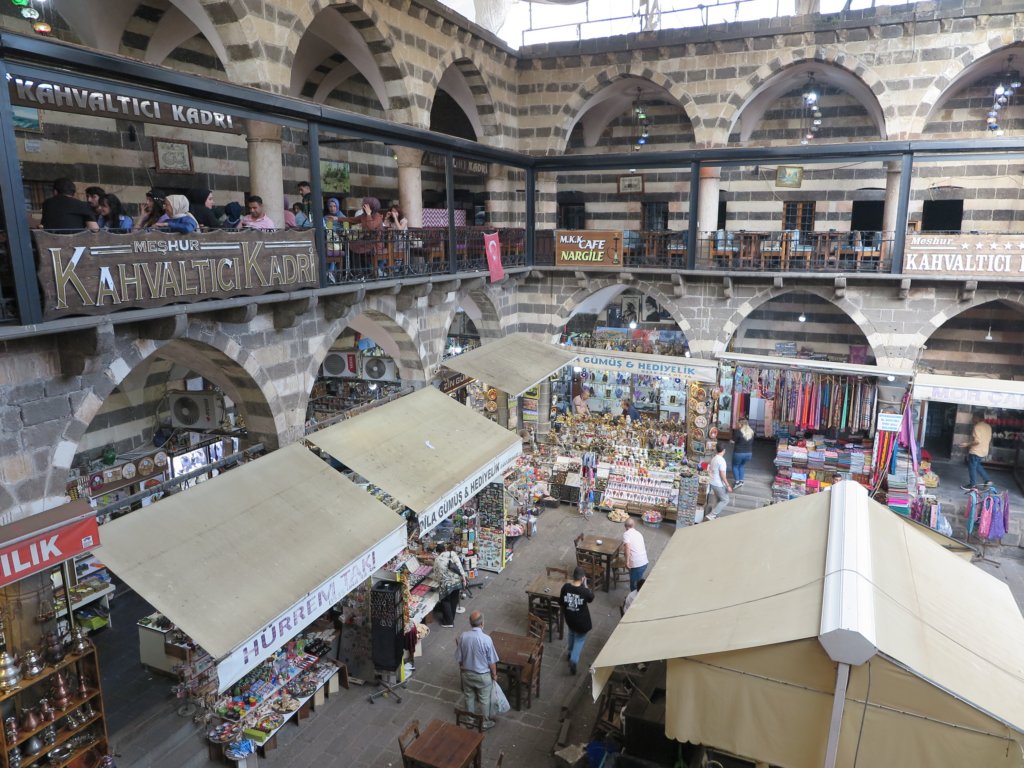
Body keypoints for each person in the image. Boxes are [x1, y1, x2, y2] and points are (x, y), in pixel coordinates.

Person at [454, 610, 498, 730]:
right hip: (483, 676)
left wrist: (463, 667)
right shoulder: (486, 639)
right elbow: (492, 661)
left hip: (467, 674)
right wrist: (494, 674)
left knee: (469, 697)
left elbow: (459, 658)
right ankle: (484, 723)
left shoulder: (463, 636)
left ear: (470, 623)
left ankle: (469, 721)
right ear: (482, 623)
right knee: (484, 699)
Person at [560, 566, 594, 676]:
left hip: (569, 618)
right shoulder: (585, 591)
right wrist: (586, 586)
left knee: (571, 634)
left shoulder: (566, 587)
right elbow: (591, 598)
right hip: (581, 622)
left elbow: (561, 602)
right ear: (583, 578)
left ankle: (570, 653)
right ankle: (574, 660)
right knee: (579, 639)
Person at [432, 542, 467, 627]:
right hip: (457, 581)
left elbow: (436, 574)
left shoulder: (437, 560)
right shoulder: (452, 554)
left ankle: (448, 622)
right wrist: (464, 578)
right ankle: (452, 618)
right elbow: (459, 567)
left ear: (437, 551)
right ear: (445, 548)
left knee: (445, 601)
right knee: (454, 600)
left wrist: (438, 580)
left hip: (446, 584)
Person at [960, 412, 993, 491]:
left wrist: (967, 444)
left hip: (976, 451)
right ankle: (987, 480)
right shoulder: (988, 426)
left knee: (972, 467)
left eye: (973, 417)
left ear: (977, 418)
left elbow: (977, 441)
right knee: (977, 465)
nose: (972, 419)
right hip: (984, 450)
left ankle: (973, 485)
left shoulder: (977, 427)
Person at [706, 442, 732, 521]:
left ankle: (714, 515)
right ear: (724, 450)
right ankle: (712, 515)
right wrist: (728, 485)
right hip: (718, 483)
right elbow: (722, 474)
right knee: (725, 500)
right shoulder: (721, 460)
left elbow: (710, 469)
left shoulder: (714, 458)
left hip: (712, 481)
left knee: (718, 499)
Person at [622, 518, 648, 591]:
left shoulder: (626, 534)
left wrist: (627, 562)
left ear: (625, 526)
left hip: (637, 564)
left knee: (634, 586)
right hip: (644, 562)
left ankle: (633, 597)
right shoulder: (638, 533)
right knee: (638, 582)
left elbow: (627, 547)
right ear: (634, 525)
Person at [732, 417, 754, 488]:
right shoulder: (751, 432)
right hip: (748, 453)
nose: (737, 424)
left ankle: (737, 482)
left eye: (738, 423)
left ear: (741, 424)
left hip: (739, 453)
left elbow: (734, 440)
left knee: (735, 466)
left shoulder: (738, 431)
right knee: (741, 466)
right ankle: (741, 481)